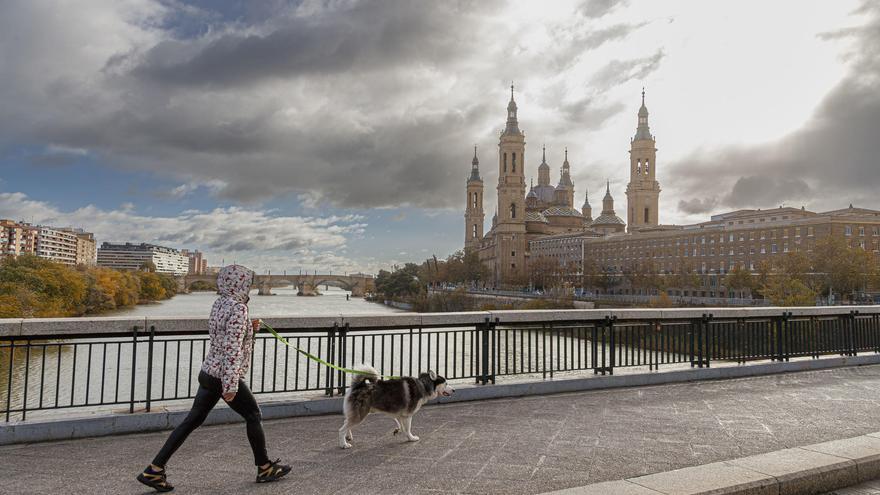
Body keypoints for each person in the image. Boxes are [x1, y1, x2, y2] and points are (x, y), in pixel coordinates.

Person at [137, 265, 291, 492]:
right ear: (241, 284)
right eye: (247, 283)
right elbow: (232, 348)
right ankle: (264, 467)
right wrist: (230, 385)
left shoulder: (219, 303)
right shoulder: (239, 308)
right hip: (223, 376)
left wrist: (250, 328)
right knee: (253, 415)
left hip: (208, 371)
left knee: (192, 420)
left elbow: (224, 334)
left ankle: (154, 469)